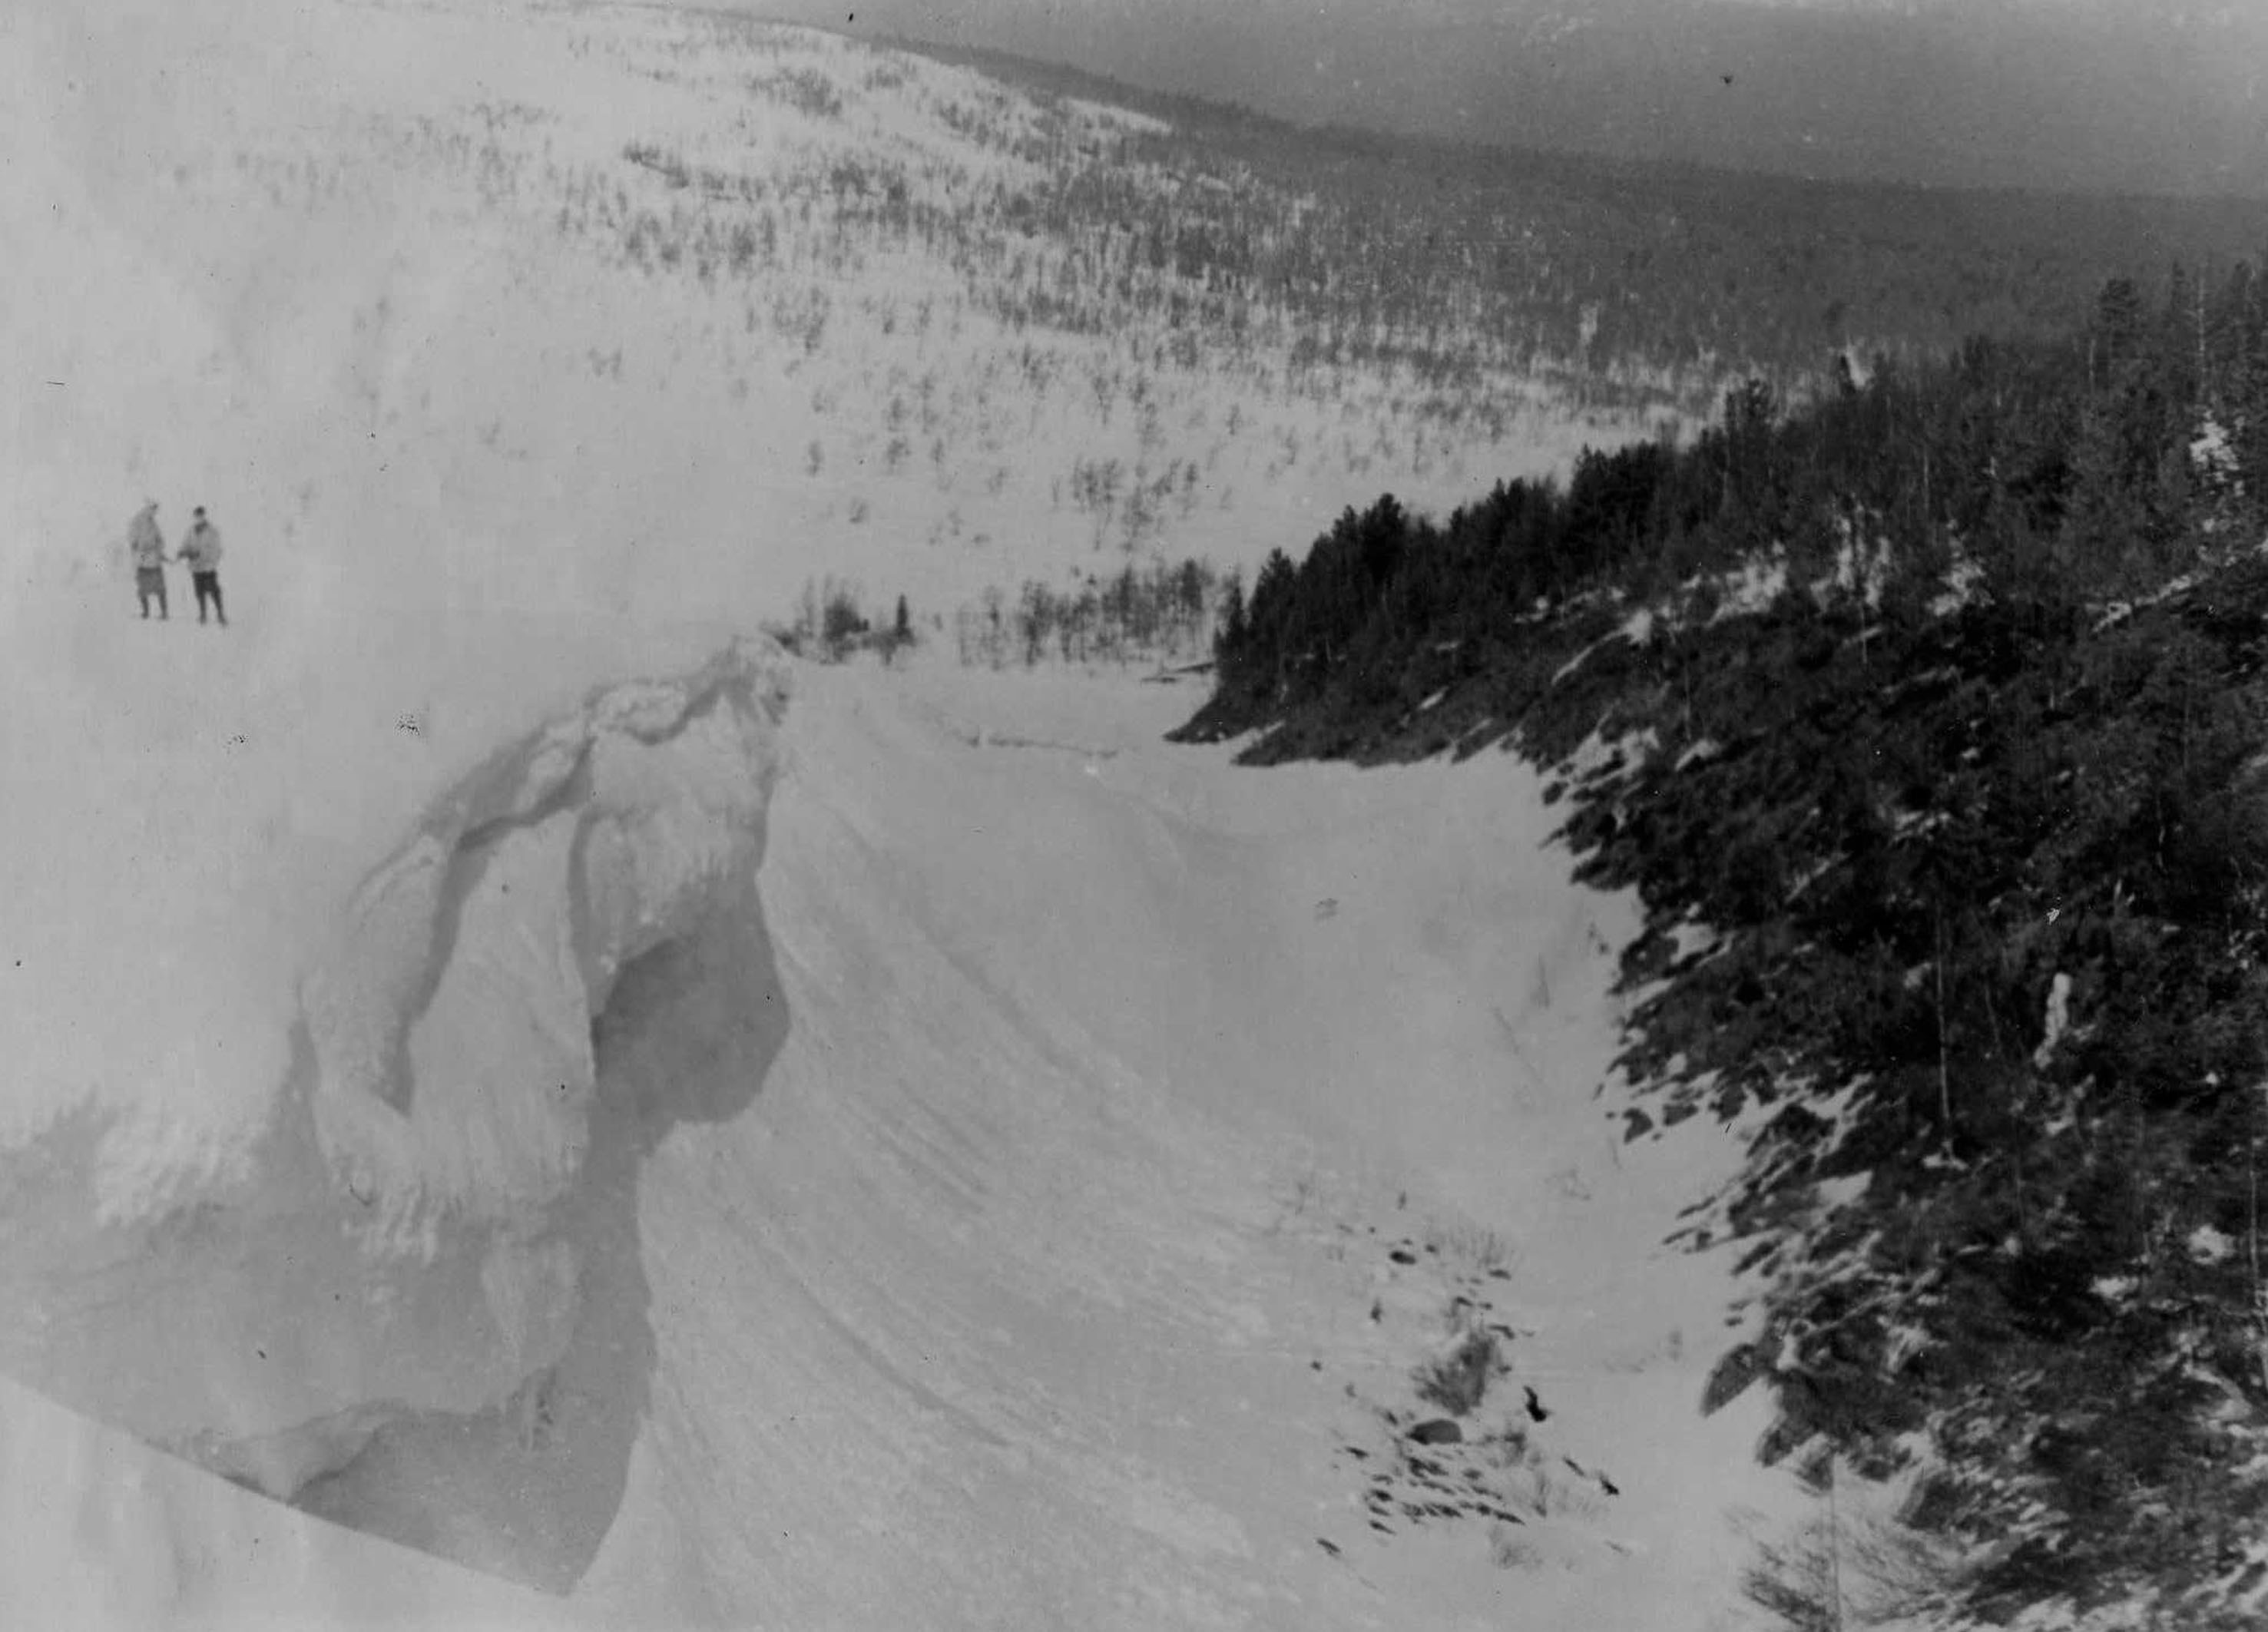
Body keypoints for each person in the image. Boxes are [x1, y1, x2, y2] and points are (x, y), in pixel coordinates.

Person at [178, 505, 227, 627]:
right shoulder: (190, 531)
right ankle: (203, 614)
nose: (199, 518)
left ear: (204, 516)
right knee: (199, 592)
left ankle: (220, 614)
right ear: (194, 517)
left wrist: (201, 556)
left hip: (208, 568)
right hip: (196, 568)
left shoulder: (212, 531)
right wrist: (182, 552)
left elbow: (217, 550)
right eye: (197, 516)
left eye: (201, 515)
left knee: (214, 591)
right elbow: (185, 545)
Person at [127, 501, 170, 619]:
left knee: (160, 588)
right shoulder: (137, 522)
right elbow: (133, 541)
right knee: (143, 589)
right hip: (143, 559)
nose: (154, 512)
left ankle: (164, 612)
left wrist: (158, 550)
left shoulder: (154, 524)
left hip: (154, 560)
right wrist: (140, 551)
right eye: (153, 509)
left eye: (155, 510)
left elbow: (161, 540)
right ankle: (146, 612)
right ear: (147, 508)